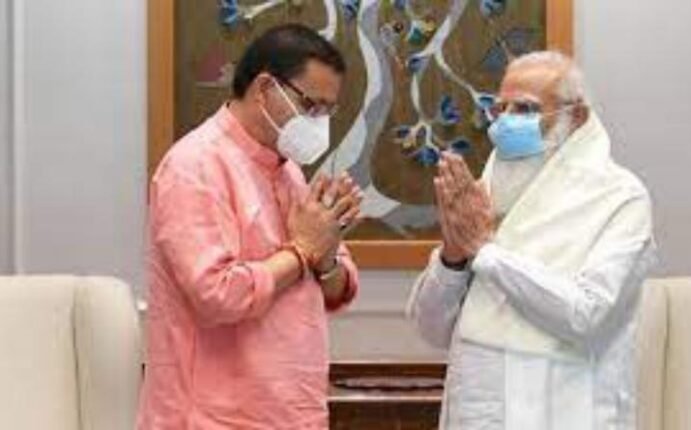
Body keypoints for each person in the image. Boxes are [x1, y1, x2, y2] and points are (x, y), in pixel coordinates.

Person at [407, 51, 657, 429]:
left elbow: (587, 315)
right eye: (500, 108)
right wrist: (453, 257)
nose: (505, 121)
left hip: (568, 409)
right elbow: (431, 329)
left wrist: (486, 253)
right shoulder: (486, 191)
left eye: (525, 109)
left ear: (576, 116)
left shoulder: (619, 197)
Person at [138, 24, 362, 429]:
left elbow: (335, 289)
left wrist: (326, 256)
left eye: (328, 111)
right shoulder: (193, 166)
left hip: (292, 412)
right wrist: (301, 253)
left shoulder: (289, 170)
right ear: (265, 88)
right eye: (312, 107)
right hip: (214, 417)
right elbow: (216, 294)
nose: (320, 123)